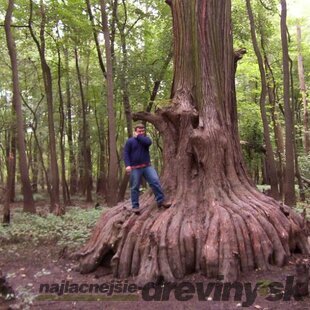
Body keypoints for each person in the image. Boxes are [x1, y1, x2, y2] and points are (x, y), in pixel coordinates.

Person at [124, 124, 171, 214]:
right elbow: (126, 153)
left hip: (147, 166)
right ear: (135, 131)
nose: (141, 132)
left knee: (155, 181)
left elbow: (148, 143)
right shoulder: (130, 141)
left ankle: (161, 201)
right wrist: (127, 165)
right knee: (134, 187)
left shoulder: (146, 140)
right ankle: (135, 206)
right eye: (139, 131)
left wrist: (139, 136)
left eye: (142, 131)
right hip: (135, 168)